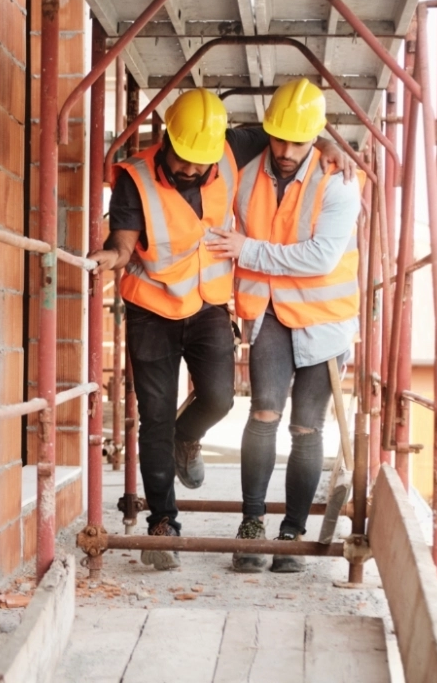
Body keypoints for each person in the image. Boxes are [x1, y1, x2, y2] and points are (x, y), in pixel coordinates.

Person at [89, 87, 353, 571]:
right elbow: (124, 240)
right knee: (155, 418)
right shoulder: (136, 177)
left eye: (202, 162)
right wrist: (113, 255)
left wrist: (332, 143)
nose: (193, 170)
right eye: (185, 160)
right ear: (167, 138)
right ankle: (162, 525)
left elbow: (296, 134)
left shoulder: (232, 147)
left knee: (220, 399)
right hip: (152, 308)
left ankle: (187, 440)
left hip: (210, 304)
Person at [206, 78, 363, 574]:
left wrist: (246, 250)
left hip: (325, 320)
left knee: (306, 426)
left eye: (299, 141)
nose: (287, 150)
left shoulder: (337, 181)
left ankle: (291, 532)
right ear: (267, 131)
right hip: (270, 309)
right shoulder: (247, 167)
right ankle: (252, 525)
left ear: (317, 135)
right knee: (265, 414)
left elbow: (321, 256)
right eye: (280, 139)